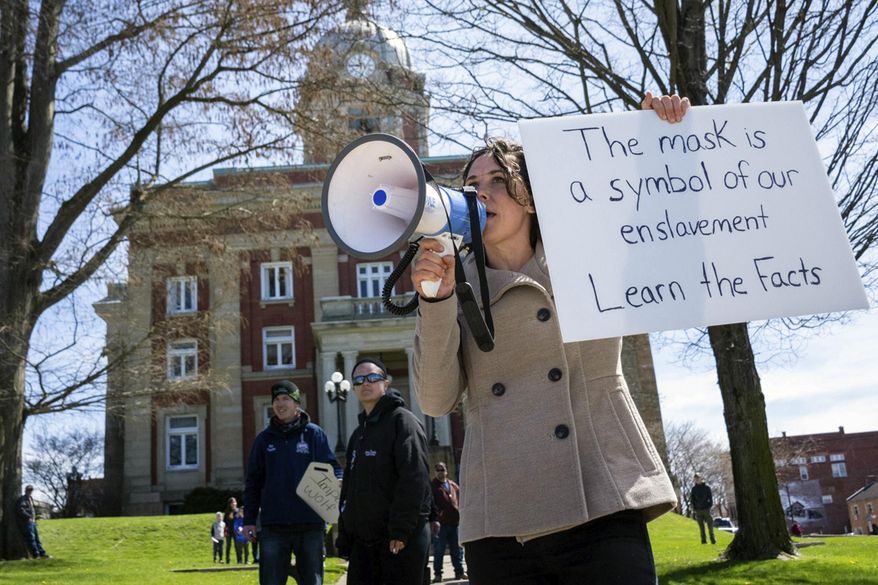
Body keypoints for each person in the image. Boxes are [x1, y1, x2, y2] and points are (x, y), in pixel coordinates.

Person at [411, 93, 688, 584]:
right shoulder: (456, 282)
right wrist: (435, 301)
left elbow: (658, 207)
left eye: (499, 181)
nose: (482, 194)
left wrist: (658, 133)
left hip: (600, 492)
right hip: (502, 517)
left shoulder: (590, 254)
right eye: (471, 185)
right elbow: (435, 400)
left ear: (533, 198)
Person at [337, 358, 433, 585]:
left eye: (372, 378)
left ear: (386, 384)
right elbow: (349, 490)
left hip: (399, 540)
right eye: (359, 380)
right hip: (364, 544)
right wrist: (345, 534)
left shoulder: (403, 421)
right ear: (353, 388)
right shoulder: (358, 433)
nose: (365, 383)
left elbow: (414, 478)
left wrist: (400, 530)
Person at [243, 380, 341, 585]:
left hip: (310, 524)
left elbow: (332, 468)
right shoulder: (263, 440)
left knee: (312, 581)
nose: (280, 404)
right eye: (276, 400)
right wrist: (249, 520)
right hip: (273, 526)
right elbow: (253, 482)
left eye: (286, 399)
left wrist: (338, 484)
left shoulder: (314, 434)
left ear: (297, 403)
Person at [430, 463, 465, 582]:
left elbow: (461, 499)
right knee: (439, 550)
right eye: (438, 470)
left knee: (457, 550)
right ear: (435, 472)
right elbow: (430, 503)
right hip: (441, 524)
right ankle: (438, 574)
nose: (440, 472)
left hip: (455, 522)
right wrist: (435, 517)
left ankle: (459, 572)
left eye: (442, 470)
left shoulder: (453, 485)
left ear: (446, 471)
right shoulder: (432, 486)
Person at [16, 485, 49, 559]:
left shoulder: (30, 499)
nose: (30, 491)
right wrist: (28, 517)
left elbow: (32, 509)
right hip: (27, 522)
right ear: (25, 490)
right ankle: (36, 555)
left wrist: (36, 516)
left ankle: (42, 553)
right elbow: (21, 510)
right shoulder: (23, 499)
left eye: (31, 490)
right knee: (32, 539)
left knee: (37, 539)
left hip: (33, 522)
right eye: (28, 490)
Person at [691, 473, 716, 545]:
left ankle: (713, 539)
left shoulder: (707, 488)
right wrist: (694, 508)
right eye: (695, 479)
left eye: (698, 478)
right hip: (698, 510)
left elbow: (710, 499)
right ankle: (703, 541)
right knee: (701, 527)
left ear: (701, 478)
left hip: (706, 509)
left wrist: (709, 507)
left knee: (710, 526)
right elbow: (692, 499)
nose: (697, 480)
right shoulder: (694, 489)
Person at [224, 496, 238, 563]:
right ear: (229, 504)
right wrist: (225, 531)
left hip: (236, 531)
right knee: (228, 546)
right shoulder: (227, 512)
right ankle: (227, 560)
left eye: (235, 502)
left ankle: (239, 560)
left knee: (237, 546)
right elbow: (225, 522)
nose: (234, 504)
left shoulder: (237, 511)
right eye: (232, 502)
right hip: (229, 531)